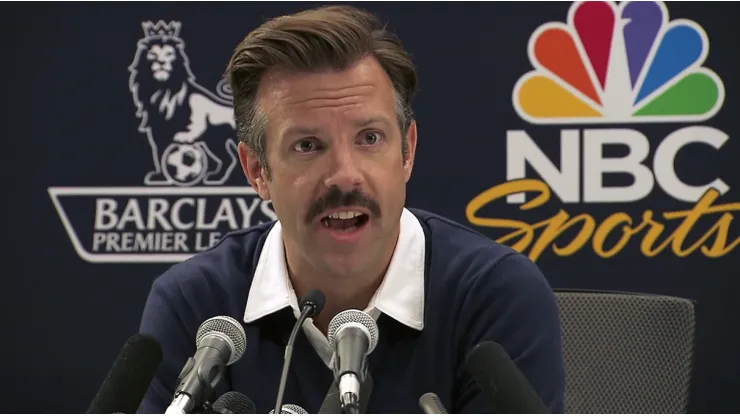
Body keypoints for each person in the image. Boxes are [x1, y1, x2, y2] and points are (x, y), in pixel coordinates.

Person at [138, 5, 566, 414]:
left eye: (370, 138)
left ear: (407, 151)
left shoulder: (493, 296)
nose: (345, 176)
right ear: (257, 171)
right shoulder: (196, 305)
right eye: (308, 145)